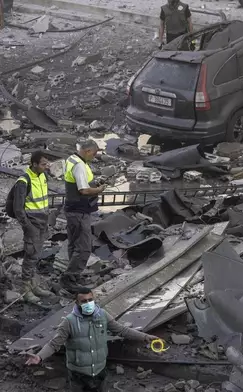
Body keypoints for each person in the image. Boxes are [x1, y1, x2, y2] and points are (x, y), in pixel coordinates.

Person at [24, 287, 159, 391]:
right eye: (84, 301)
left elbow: (122, 330)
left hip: (100, 370)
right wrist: (39, 356)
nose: (88, 303)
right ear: (77, 302)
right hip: (78, 374)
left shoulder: (102, 315)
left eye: (90, 300)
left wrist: (145, 337)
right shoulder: (69, 322)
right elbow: (54, 344)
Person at [60, 140, 107, 292]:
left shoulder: (72, 159)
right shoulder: (79, 165)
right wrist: (99, 189)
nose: (94, 157)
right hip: (79, 211)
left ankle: (72, 274)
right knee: (85, 247)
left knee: (73, 244)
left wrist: (93, 182)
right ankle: (70, 278)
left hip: (72, 209)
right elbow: (83, 190)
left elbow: (81, 183)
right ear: (87, 151)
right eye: (93, 154)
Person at [12, 151, 54, 303]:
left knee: (37, 254)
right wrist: (27, 226)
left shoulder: (42, 176)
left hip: (43, 222)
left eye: (46, 163)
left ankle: (34, 285)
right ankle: (25, 289)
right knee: (30, 256)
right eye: (43, 164)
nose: (46, 166)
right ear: (34, 164)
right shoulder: (23, 181)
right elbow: (18, 209)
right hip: (32, 224)